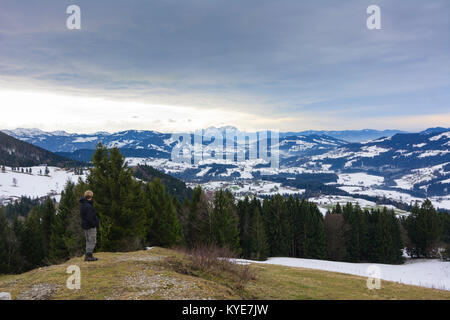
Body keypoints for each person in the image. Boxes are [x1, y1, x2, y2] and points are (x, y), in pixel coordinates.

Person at [80, 190, 99, 262]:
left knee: (88, 240)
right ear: (91, 196)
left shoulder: (83, 205)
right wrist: (94, 223)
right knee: (92, 240)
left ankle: (88, 255)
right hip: (90, 226)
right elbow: (90, 217)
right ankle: (89, 256)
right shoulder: (88, 206)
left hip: (85, 226)